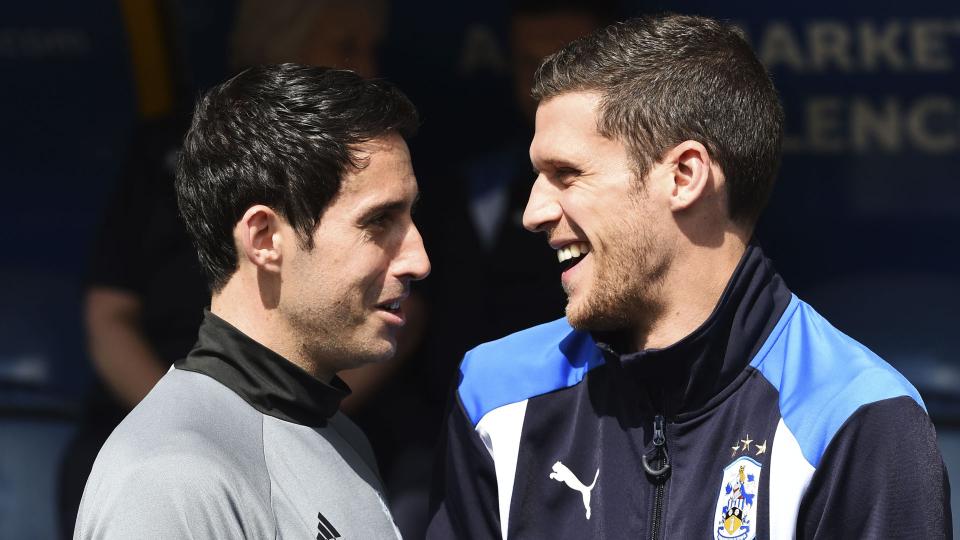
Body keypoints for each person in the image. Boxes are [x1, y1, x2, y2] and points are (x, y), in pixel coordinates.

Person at [427, 14, 951, 539]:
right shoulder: (496, 393)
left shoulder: (855, 415)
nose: (533, 212)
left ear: (684, 176)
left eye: (567, 174)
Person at [74, 64, 429, 538]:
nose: (418, 259)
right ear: (264, 238)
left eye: (410, 217)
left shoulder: (338, 434)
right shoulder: (173, 477)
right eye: (379, 221)